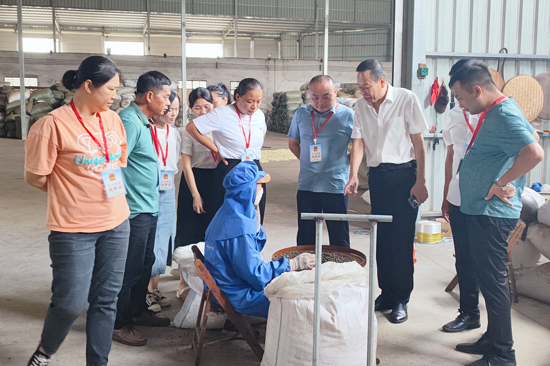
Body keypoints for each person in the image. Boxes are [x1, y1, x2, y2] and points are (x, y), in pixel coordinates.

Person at [24, 56, 130, 366]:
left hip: (116, 222)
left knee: (106, 301)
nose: (115, 95)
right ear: (88, 85)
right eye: (111, 89)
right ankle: (45, 352)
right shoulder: (52, 125)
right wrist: (70, 192)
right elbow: (36, 176)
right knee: (69, 303)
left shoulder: (113, 120)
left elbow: (118, 162)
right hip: (73, 229)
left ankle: (98, 363)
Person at [449, 61, 543, 366]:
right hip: (481, 208)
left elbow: (535, 152)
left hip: (492, 213)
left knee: (493, 282)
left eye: (461, 98)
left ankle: (503, 354)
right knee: (488, 281)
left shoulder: (503, 112)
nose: (460, 104)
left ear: (477, 90)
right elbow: (535, 137)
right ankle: (492, 339)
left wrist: (502, 181)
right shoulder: (498, 110)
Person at [344, 59, 428, 324]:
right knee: (381, 238)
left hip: (404, 176)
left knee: (401, 241)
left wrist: (421, 181)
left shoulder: (406, 99)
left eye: (366, 86)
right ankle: (387, 294)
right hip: (378, 177)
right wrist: (354, 174)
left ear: (382, 81)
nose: (363, 92)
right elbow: (358, 142)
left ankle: (402, 298)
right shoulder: (360, 106)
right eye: (359, 87)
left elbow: (419, 144)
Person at [204, 161, 316, 318]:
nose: (261, 190)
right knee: (305, 299)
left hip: (228, 286)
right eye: (259, 185)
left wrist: (255, 220)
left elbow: (252, 252)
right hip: (241, 295)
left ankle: (234, 326)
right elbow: (255, 275)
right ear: (247, 190)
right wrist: (291, 265)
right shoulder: (239, 230)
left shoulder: (227, 213)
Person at [113, 71, 172, 347]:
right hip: (134, 210)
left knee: (144, 263)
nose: (168, 103)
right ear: (150, 95)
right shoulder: (129, 121)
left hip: (149, 205)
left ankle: (137, 310)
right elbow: (115, 166)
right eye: (166, 96)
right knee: (129, 268)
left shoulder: (144, 122)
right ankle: (119, 322)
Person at [185, 78, 268, 224]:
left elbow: (262, 134)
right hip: (231, 168)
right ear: (237, 97)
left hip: (253, 168)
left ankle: (251, 246)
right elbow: (191, 128)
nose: (254, 106)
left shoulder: (259, 115)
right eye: (249, 101)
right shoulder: (222, 113)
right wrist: (216, 149)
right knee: (229, 220)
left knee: (254, 217)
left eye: (258, 101)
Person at [288, 75, 354, 247]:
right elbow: (294, 143)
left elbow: (361, 146)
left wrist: (346, 163)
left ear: (335, 92)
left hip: (336, 186)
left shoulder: (347, 115)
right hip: (307, 186)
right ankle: (307, 271)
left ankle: (340, 271)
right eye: (314, 97)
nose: (319, 102)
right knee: (306, 238)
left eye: (326, 96)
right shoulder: (301, 114)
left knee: (339, 237)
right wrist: (308, 162)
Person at [441, 59, 482, 333]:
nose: (458, 98)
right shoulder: (456, 114)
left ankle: (496, 331)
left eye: (460, 93)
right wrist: (445, 195)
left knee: (483, 260)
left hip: (483, 201)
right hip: (458, 197)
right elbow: (451, 155)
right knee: (464, 257)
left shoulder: (493, 113)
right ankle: (469, 313)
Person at [173, 87, 217, 298]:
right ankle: (183, 282)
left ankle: (208, 279)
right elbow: (187, 165)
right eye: (197, 107)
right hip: (194, 181)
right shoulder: (187, 130)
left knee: (212, 232)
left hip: (216, 182)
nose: (203, 111)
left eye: (207, 106)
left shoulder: (219, 127)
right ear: (190, 109)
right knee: (189, 232)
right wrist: (195, 195)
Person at [146, 91, 182, 312]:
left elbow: (174, 161)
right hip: (148, 188)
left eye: (176, 109)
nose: (172, 113)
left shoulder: (174, 133)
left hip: (167, 189)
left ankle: (154, 289)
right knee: (149, 237)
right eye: (169, 109)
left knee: (163, 237)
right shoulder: (146, 130)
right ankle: (145, 292)